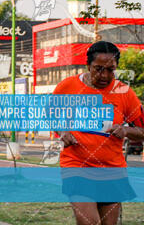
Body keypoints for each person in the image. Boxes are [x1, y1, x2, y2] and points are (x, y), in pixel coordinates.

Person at [54, 41, 144, 224]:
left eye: (111, 70)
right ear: (88, 65)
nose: (104, 75)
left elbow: (142, 130)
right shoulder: (68, 87)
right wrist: (62, 131)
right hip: (77, 165)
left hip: (112, 169)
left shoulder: (124, 92)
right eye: (98, 69)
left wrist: (125, 130)